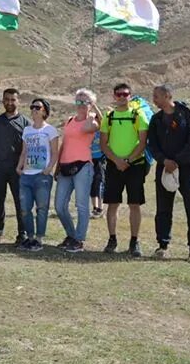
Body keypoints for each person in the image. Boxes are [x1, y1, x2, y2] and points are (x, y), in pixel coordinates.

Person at [147, 84, 190, 264]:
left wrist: (177, 162)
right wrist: (164, 161)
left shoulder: (188, 115)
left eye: (156, 96)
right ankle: (162, 245)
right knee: (163, 208)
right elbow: (152, 145)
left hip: (188, 169)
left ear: (167, 96)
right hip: (165, 168)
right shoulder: (156, 119)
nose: (153, 100)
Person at [100, 83, 149, 257]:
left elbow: (143, 143)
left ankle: (134, 241)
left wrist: (127, 160)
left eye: (125, 94)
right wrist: (117, 161)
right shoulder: (109, 116)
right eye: (118, 94)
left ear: (130, 95)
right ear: (114, 96)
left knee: (134, 204)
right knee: (112, 204)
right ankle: (112, 239)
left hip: (135, 166)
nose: (122, 97)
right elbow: (103, 144)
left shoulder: (138, 115)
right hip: (114, 166)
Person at [54, 89, 100, 253]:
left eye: (84, 102)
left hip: (83, 166)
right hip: (65, 165)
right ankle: (71, 235)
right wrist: (57, 165)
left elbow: (89, 128)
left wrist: (93, 110)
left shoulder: (92, 120)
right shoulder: (69, 121)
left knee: (81, 205)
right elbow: (64, 143)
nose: (81, 105)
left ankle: (79, 239)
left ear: (90, 104)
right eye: (78, 101)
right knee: (59, 206)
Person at [0, 88, 29, 245]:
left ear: (18, 101)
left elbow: (29, 147)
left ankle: (22, 234)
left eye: (13, 99)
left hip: (18, 168)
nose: (10, 102)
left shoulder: (26, 123)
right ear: (3, 101)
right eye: (7, 99)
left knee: (20, 201)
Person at [16, 98, 59, 251]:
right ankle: (30, 237)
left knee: (41, 208)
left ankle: (39, 239)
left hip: (42, 175)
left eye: (38, 107)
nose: (34, 110)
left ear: (44, 111)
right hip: (26, 175)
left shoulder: (50, 130)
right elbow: (24, 151)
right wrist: (19, 167)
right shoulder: (27, 130)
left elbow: (55, 153)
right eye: (32, 107)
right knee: (25, 208)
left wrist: (48, 169)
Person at [90, 107, 106, 218]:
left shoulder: (102, 131)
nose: (95, 120)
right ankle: (95, 208)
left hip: (100, 159)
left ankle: (100, 207)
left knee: (99, 182)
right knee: (92, 183)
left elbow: (101, 118)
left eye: (96, 118)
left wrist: (95, 107)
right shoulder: (89, 132)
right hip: (90, 160)